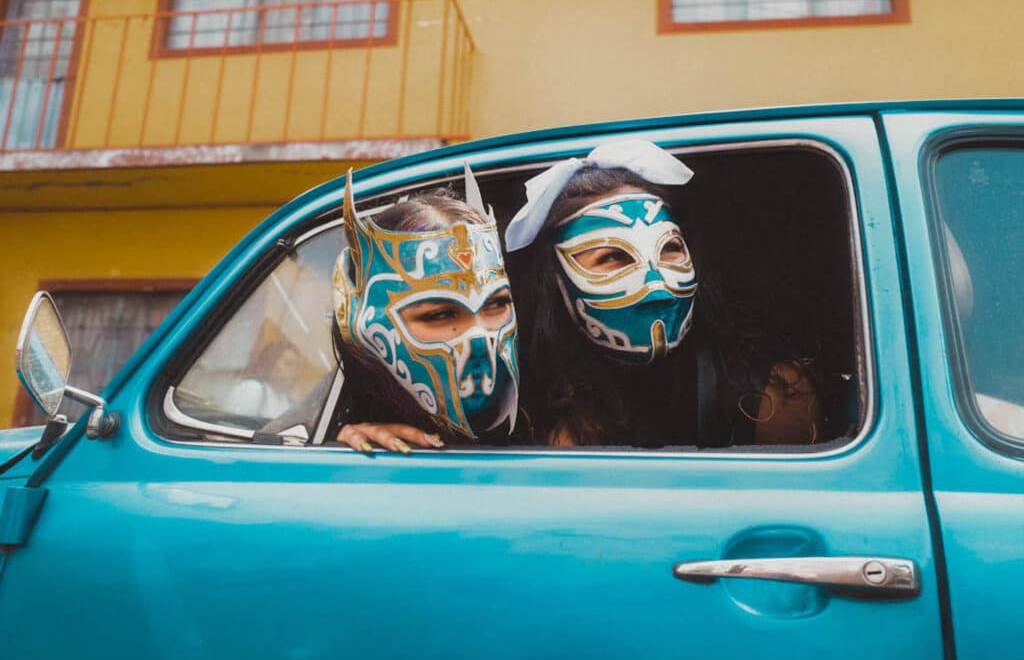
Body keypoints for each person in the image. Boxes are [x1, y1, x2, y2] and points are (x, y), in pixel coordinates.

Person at [504, 139, 822, 448]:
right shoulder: (534, 406)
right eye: (612, 256)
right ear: (556, 282)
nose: (656, 283)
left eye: (669, 249)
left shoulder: (768, 392)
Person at [331, 168, 521, 454]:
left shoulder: (560, 410)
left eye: (496, 304)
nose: (480, 334)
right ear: (360, 325)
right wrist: (343, 442)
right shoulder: (327, 435)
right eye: (440, 315)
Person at [224, 339, 301, 421]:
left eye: (296, 366)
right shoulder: (252, 389)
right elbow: (230, 424)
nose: (294, 371)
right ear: (272, 363)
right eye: (289, 364)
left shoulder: (287, 402)